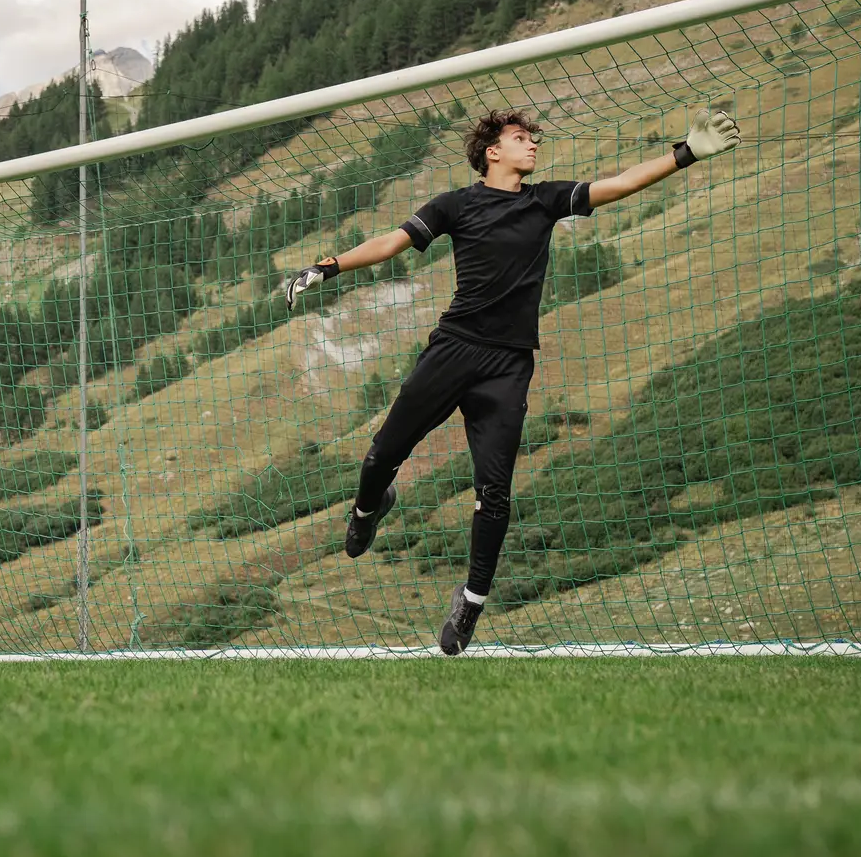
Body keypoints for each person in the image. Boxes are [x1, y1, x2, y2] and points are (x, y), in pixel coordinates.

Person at [282, 107, 741, 654]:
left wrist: (683, 153)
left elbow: (618, 184)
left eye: (533, 139)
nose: (533, 146)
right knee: (383, 454)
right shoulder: (456, 204)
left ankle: (471, 602)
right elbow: (392, 242)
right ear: (492, 152)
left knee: (494, 490)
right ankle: (367, 509)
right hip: (453, 349)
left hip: (509, 365)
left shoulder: (543, 200)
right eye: (521, 139)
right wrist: (327, 267)